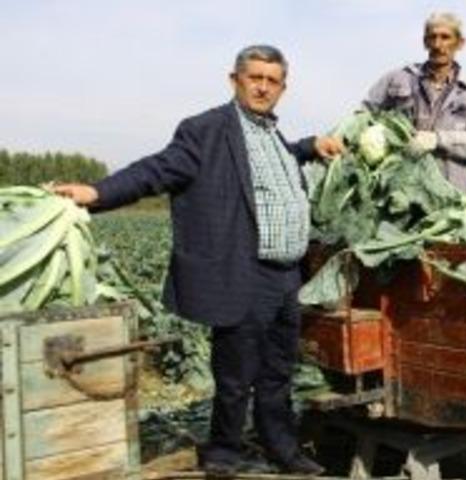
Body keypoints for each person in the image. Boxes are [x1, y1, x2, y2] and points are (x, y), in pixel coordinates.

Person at [53, 45, 343, 476]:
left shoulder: (274, 136)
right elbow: (157, 170)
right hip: (244, 272)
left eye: (272, 80)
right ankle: (225, 451)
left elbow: (280, 159)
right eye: (255, 78)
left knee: (278, 371)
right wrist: (97, 193)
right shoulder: (206, 130)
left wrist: (308, 146)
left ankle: (281, 448)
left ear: (283, 87)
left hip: (287, 278)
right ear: (235, 81)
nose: (263, 87)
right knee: (234, 375)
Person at [363, 12, 466, 192]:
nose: (438, 45)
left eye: (445, 37)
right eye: (432, 37)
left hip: (451, 195)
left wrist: (437, 140)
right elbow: (362, 116)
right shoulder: (397, 79)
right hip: (399, 192)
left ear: (460, 43)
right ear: (425, 42)